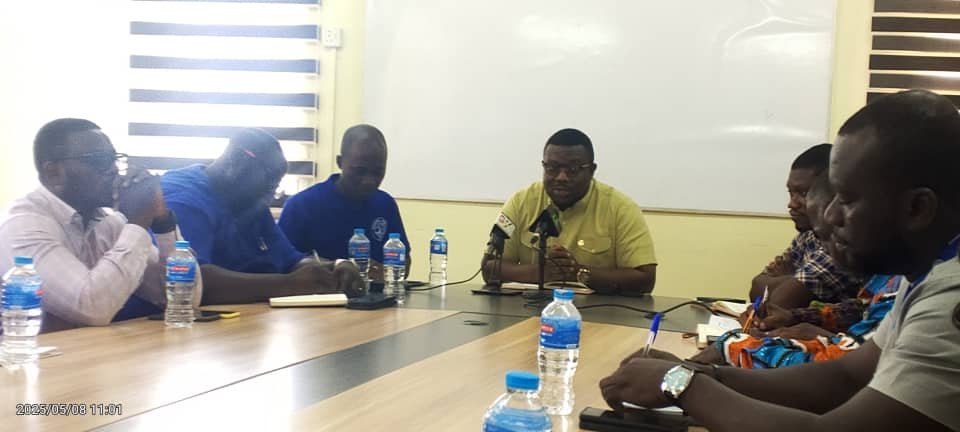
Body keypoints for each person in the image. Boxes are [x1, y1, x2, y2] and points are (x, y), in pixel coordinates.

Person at [600, 90, 960, 431]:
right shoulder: (930, 272)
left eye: (847, 200)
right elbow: (845, 377)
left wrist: (682, 384)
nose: (830, 216)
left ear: (917, 208)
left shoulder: (951, 300)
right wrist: (707, 375)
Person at [0, 118, 200, 332]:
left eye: (114, 159)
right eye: (99, 160)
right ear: (53, 173)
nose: (113, 170)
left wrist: (162, 221)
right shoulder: (23, 226)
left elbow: (184, 301)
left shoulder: (108, 223)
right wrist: (138, 222)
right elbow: (93, 308)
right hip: (24, 362)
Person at [161, 128, 363, 304]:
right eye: (268, 186)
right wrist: (289, 285)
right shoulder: (183, 200)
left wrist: (336, 266)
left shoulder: (249, 199)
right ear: (236, 162)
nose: (268, 198)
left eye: (273, 189)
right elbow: (192, 281)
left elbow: (291, 261)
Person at [482, 128, 657, 295]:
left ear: (592, 170)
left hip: (599, 315)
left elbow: (645, 278)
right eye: (552, 168)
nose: (561, 177)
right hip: (528, 310)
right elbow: (489, 266)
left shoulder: (621, 209)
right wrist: (541, 272)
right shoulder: (521, 202)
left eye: (573, 169)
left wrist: (578, 273)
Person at [279, 124, 410, 280]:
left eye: (378, 172)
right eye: (359, 171)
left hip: (375, 299)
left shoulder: (385, 204)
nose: (369, 181)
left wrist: (385, 272)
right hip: (319, 298)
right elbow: (283, 264)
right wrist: (338, 269)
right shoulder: (302, 205)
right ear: (340, 162)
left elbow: (404, 262)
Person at [751, 143, 863, 308]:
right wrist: (792, 279)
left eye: (802, 193)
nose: (791, 204)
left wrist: (788, 279)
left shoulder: (841, 244)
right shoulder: (807, 237)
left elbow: (780, 302)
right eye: (790, 193)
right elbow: (755, 288)